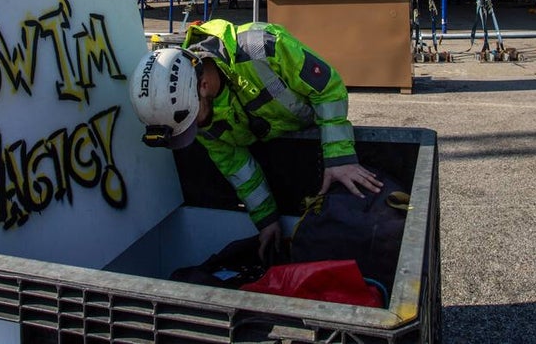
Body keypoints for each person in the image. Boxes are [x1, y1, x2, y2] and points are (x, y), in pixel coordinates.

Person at [129, 19, 381, 261]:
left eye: (194, 121)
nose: (198, 130)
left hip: (316, 134)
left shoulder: (260, 46)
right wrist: (267, 220)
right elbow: (236, 166)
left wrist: (339, 157)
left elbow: (328, 87)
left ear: (203, 85)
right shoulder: (191, 111)